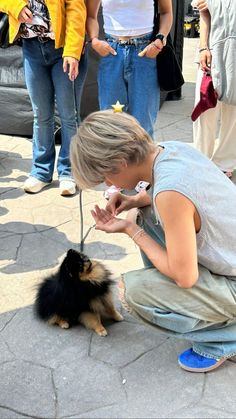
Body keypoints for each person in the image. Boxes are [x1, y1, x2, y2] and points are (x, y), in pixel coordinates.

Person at [70, 110, 236, 373]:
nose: (108, 184)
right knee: (144, 214)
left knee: (133, 291)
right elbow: (179, 192)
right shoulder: (172, 149)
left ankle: (226, 339)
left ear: (120, 162)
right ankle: (208, 310)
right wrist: (134, 200)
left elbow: (185, 278)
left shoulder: (170, 193)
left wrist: (128, 229)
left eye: (106, 177)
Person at [86, 0, 172, 197]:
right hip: (112, 52)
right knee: (112, 123)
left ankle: (145, 176)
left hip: (144, 52)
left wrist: (159, 40)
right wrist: (94, 40)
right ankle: (116, 178)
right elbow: (91, 16)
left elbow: (167, 12)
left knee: (144, 122)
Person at [0, 0, 87, 195]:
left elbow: (76, 9)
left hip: (64, 48)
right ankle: (41, 172)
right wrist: (16, 6)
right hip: (31, 48)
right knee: (41, 114)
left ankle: (69, 173)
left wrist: (73, 51)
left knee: (68, 115)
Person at [192, 0, 236, 179]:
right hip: (211, 48)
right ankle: (201, 158)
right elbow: (204, 12)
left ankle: (224, 162)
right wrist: (203, 46)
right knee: (204, 105)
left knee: (233, 111)